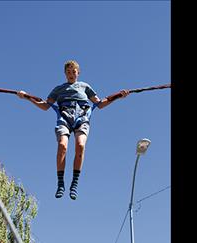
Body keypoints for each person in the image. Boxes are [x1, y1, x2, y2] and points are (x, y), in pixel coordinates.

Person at [17, 60, 129, 200]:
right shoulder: (59, 89)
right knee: (62, 145)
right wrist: (26, 97)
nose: (71, 74)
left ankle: (74, 183)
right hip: (64, 117)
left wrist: (119, 96)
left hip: (81, 116)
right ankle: (60, 183)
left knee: (80, 145)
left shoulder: (84, 86)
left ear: (78, 72)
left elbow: (100, 104)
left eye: (73, 72)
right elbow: (45, 105)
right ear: (65, 74)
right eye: (68, 72)